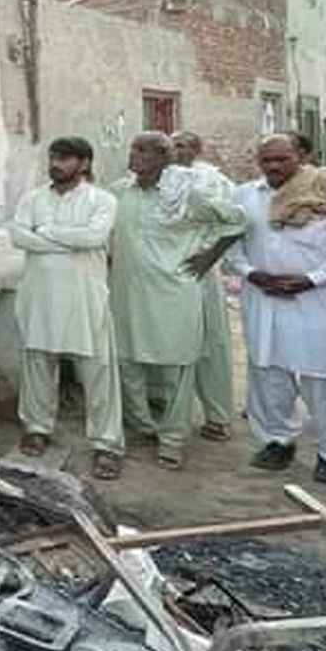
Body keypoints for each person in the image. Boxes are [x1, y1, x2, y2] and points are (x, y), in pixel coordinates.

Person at [109, 133, 249, 470]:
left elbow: (237, 220)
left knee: (176, 369)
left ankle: (172, 440)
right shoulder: (118, 192)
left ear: (164, 158)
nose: (134, 155)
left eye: (143, 150)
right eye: (133, 148)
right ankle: (143, 426)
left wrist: (207, 258)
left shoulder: (186, 194)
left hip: (174, 293)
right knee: (127, 362)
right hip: (127, 293)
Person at [229, 134, 326, 485]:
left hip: (316, 302)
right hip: (263, 298)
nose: (273, 166)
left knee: (321, 379)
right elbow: (232, 246)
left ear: (301, 156)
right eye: (266, 160)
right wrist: (252, 274)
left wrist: (309, 280)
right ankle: (278, 441)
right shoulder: (245, 196)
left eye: (281, 159)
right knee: (268, 373)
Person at [8, 138, 125, 481]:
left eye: (64, 159)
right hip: (39, 297)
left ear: (85, 163)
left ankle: (107, 445)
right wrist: (65, 240)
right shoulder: (33, 198)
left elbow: (94, 237)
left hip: (84, 298)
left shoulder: (102, 200)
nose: (56, 164)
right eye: (53, 158)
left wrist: (45, 233)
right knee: (38, 363)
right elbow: (17, 236)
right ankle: (36, 428)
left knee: (98, 371)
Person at [169, 131, 240, 440]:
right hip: (162, 273)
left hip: (200, 269)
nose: (175, 150)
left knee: (210, 341)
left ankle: (218, 414)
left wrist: (207, 257)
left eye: (181, 145)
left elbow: (232, 224)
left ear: (196, 150)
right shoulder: (159, 181)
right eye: (171, 145)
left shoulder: (214, 183)